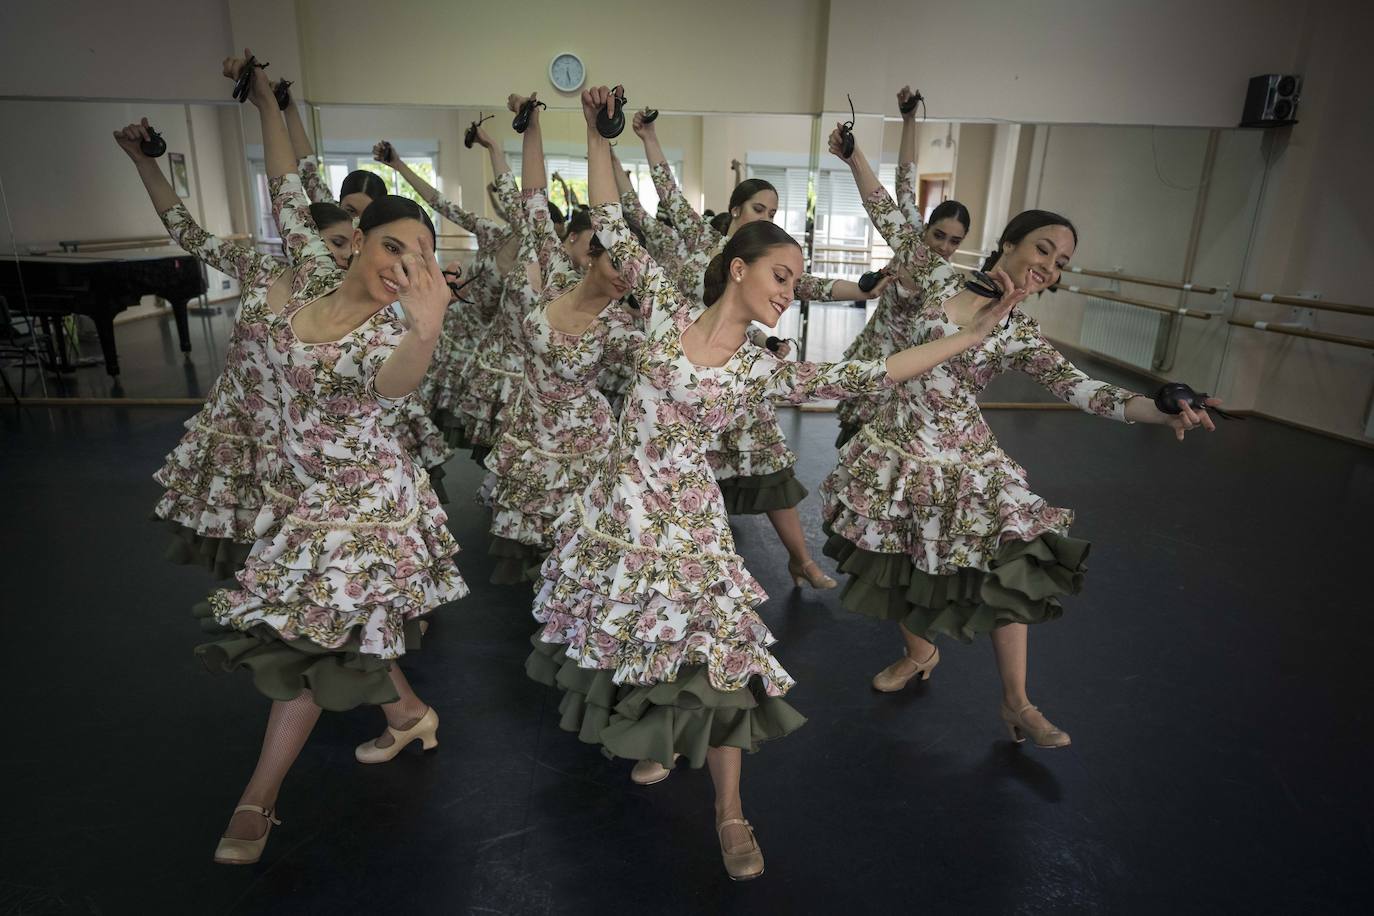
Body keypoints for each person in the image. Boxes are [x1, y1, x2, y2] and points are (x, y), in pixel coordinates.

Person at [528, 86, 1020, 881]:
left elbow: (875, 372)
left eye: (798, 281)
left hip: (687, 525)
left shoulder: (764, 370)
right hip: (615, 515)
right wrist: (594, 131)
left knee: (722, 660)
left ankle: (730, 812)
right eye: (782, 275)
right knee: (639, 643)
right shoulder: (658, 311)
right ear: (738, 268)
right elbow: (612, 214)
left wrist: (966, 338)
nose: (791, 291)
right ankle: (661, 740)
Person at [820, 124, 1222, 747]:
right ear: (1007, 243)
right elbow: (886, 212)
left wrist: (1162, 405)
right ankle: (920, 653)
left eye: (1060, 263)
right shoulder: (932, 277)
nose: (1049, 267)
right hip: (894, 445)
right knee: (895, 563)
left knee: (1007, 563)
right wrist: (853, 157)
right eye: (1042, 249)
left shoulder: (1019, 335)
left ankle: (1017, 702)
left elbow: (1087, 391)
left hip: (966, 457)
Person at [196, 52, 464, 866]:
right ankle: (408, 715)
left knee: (311, 651)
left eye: (421, 256)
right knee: (343, 639)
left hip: (368, 507)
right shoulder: (312, 269)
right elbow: (288, 181)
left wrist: (425, 325)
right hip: (302, 499)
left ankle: (257, 798)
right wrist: (266, 101)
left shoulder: (395, 328)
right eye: (393, 246)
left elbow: (393, 388)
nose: (404, 265)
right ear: (354, 243)